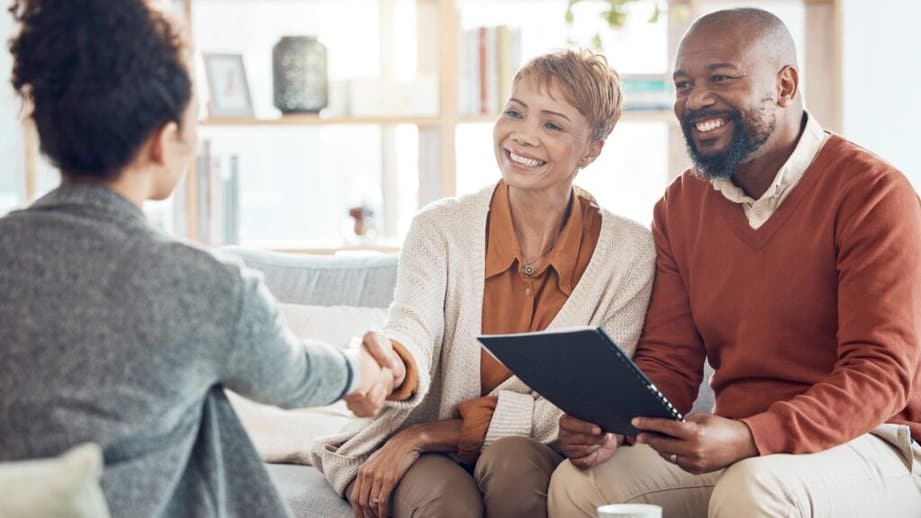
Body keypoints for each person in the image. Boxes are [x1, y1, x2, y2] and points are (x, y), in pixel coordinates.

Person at [0, 1, 400, 516]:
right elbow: (293, 375)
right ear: (164, 142)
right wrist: (358, 370)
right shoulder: (203, 285)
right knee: (206, 402)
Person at [548, 7, 921, 517]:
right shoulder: (680, 207)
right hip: (740, 445)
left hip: (878, 443)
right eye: (684, 84)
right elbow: (671, 363)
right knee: (581, 484)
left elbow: (879, 374)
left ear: (785, 86)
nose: (696, 100)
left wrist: (752, 436)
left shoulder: (873, 194)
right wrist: (613, 421)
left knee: (754, 489)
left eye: (720, 78)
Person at [309, 49, 656, 518]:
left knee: (514, 465)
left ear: (592, 148)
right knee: (449, 504)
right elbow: (412, 326)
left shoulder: (629, 253)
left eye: (552, 125)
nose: (523, 134)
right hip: (426, 458)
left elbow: (576, 410)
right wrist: (393, 366)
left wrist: (428, 433)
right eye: (515, 111)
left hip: (520, 452)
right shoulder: (440, 228)